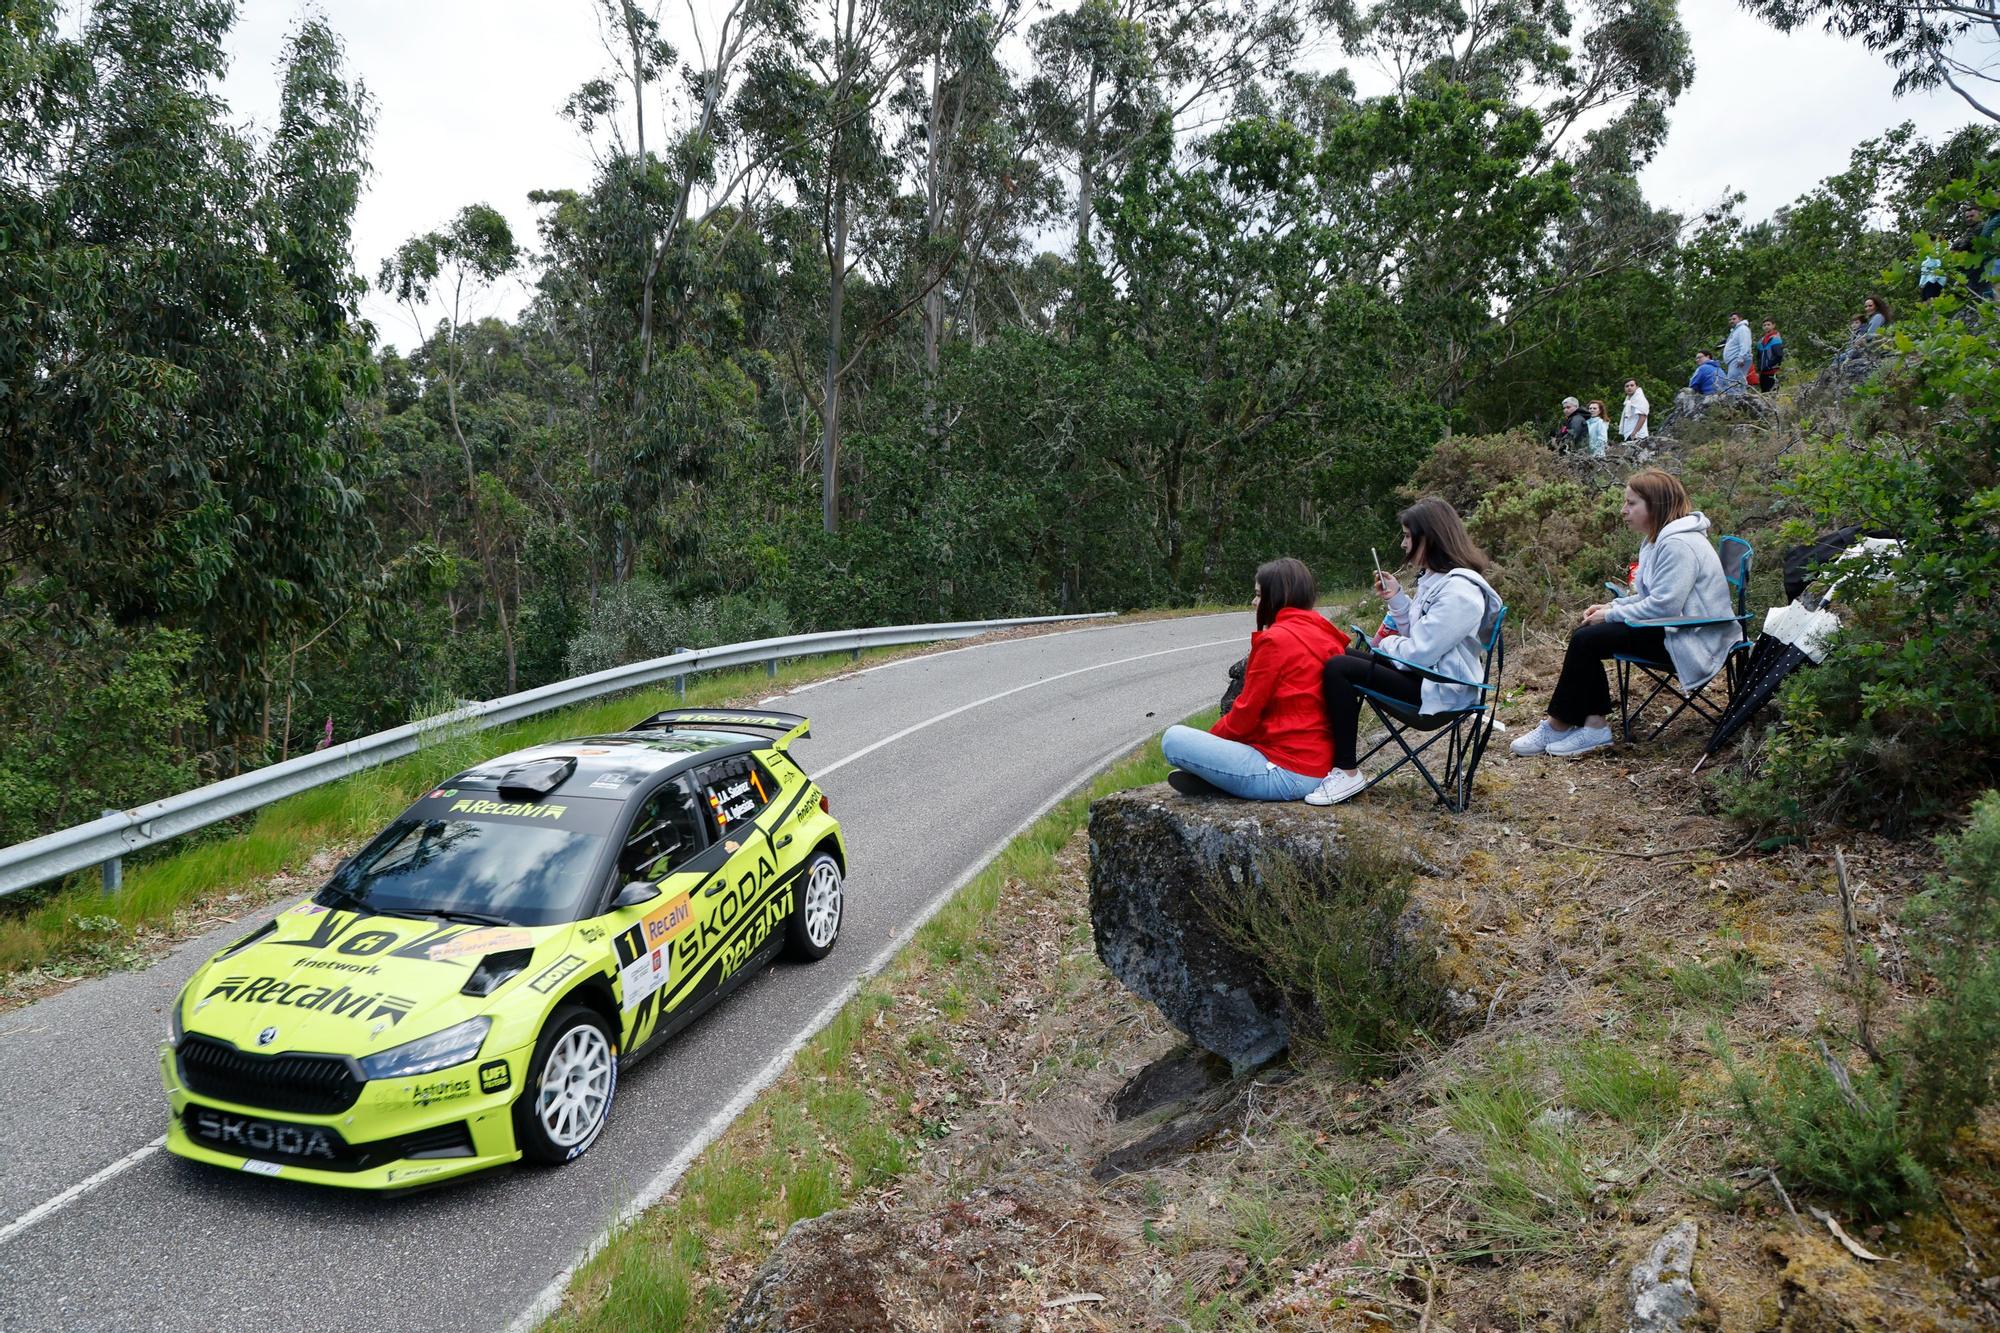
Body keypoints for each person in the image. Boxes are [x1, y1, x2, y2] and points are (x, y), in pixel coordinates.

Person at [1510, 469, 1737, 758]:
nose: (1623, 510)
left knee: (1588, 639)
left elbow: (1664, 606)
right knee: (1586, 635)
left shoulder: (1678, 544)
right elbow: (1651, 598)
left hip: (1696, 637)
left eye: (1631, 504)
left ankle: (1566, 726)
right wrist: (1612, 607)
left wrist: (1610, 617)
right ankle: (1588, 726)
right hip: (1677, 627)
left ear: (1656, 505)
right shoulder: (1658, 540)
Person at [1307, 499, 1502, 806]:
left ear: (1431, 537)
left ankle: (1346, 771)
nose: (1403, 544)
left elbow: (1418, 653)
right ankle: (1320, 756)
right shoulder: (1437, 580)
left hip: (1440, 691)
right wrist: (1398, 599)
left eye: (1408, 537)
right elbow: (1419, 637)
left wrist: (1384, 644)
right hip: (1425, 678)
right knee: (1335, 654)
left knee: (1338, 668)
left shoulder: (1460, 592)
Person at [1162, 558, 1349, 800]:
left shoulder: (1276, 640)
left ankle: (1220, 778)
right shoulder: (1325, 634)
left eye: (1259, 595)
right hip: (1319, 765)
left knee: (1173, 739)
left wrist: (1209, 741)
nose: (1254, 602)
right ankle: (1223, 777)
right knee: (1219, 746)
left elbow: (1245, 715)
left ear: (1277, 597)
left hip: (1287, 772)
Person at [1722, 312, 1753, 392]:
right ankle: (1742, 400)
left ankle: (1737, 401)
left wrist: (1741, 357)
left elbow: (1745, 343)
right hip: (1734, 360)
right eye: (1730, 319)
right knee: (1738, 382)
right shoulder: (1736, 331)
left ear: (1740, 319)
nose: (1732, 321)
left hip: (1738, 359)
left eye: (1734, 319)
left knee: (1734, 383)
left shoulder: (1742, 329)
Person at [1755, 320, 1784, 394]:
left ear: (1773, 325)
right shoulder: (1761, 341)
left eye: (1768, 324)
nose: (1766, 327)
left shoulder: (1775, 339)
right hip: (1763, 373)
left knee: (1772, 394)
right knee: (1764, 395)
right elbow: (1758, 357)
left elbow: (1779, 355)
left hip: (1772, 372)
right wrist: (1759, 367)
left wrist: (1769, 366)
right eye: (1764, 325)